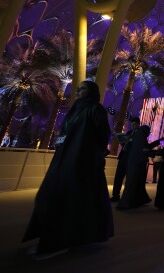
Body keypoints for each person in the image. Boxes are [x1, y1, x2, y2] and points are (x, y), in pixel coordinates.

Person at [22, 80, 113, 260]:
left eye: (83, 88)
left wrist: (93, 155)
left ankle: (56, 242)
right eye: (78, 88)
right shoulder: (76, 110)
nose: (79, 91)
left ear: (92, 91)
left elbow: (103, 135)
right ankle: (50, 238)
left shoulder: (95, 109)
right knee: (48, 194)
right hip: (64, 159)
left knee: (65, 197)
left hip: (80, 161)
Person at [117, 125, 153, 210]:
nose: (148, 133)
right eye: (148, 132)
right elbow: (144, 149)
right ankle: (127, 202)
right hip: (137, 164)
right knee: (132, 183)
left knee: (134, 183)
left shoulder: (137, 137)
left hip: (134, 163)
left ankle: (134, 201)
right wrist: (152, 152)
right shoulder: (141, 138)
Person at [110, 116, 140, 202]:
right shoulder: (129, 132)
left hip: (131, 159)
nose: (133, 126)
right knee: (118, 177)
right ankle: (115, 195)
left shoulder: (139, 134)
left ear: (138, 124)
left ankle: (127, 197)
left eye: (135, 124)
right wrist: (123, 142)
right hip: (123, 157)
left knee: (129, 179)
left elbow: (138, 146)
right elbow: (124, 144)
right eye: (132, 124)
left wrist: (130, 142)